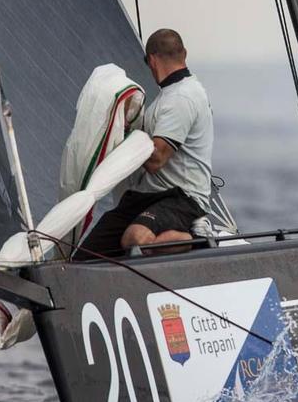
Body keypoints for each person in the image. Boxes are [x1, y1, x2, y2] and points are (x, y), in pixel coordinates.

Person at [75, 28, 214, 259]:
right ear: (185, 54)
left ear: (151, 60)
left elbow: (156, 160)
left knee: (135, 239)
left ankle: (194, 239)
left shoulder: (182, 97)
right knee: (84, 257)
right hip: (146, 196)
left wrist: (126, 141)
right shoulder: (169, 95)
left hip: (181, 197)